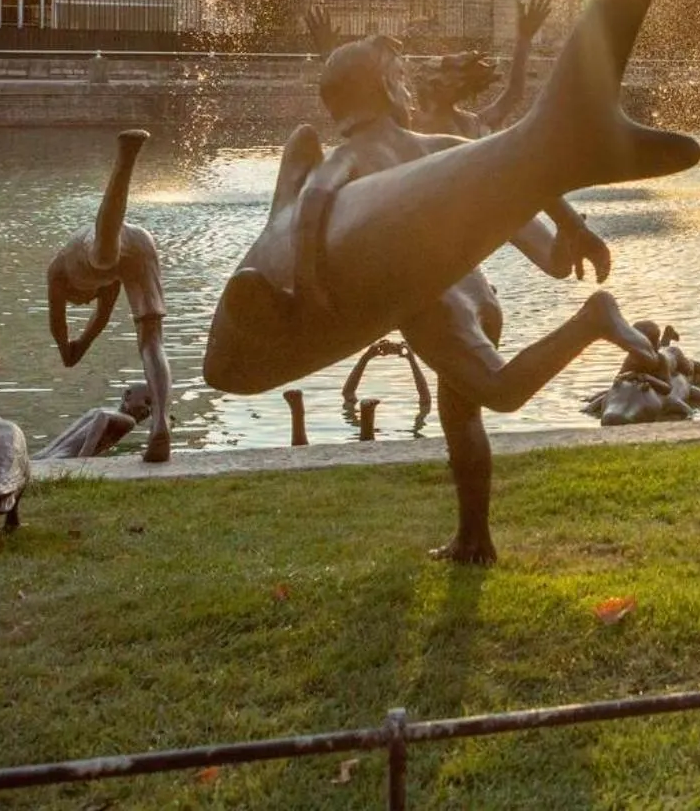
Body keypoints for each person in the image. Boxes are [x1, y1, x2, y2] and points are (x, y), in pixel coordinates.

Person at [263, 32, 658, 563]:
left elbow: (312, 201)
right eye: (402, 78)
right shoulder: (433, 148)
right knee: (460, 419)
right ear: (383, 87)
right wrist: (574, 229)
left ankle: (592, 320)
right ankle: (474, 539)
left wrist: (306, 284)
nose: (410, 87)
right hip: (478, 292)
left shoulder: (352, 156)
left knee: (499, 391)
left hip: (430, 301)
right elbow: (516, 169)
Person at [47, 130, 174, 462]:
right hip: (139, 245)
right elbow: (100, 320)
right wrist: (81, 346)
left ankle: (125, 157)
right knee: (152, 341)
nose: (86, 302)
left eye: (81, 301)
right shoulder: (109, 285)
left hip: (103, 244)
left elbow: (58, 327)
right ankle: (160, 423)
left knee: (103, 250)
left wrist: (67, 349)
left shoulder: (58, 271)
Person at [411, 0, 553, 136]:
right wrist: (524, 39)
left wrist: (524, 39)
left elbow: (513, 94)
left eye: (434, 83)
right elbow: (513, 94)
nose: (420, 90)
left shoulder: (472, 123)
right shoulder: (416, 122)